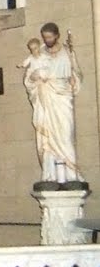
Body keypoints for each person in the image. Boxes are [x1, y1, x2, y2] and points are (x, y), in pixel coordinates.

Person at [21, 22, 83, 183]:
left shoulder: (67, 52)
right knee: (47, 137)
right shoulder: (38, 52)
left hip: (62, 98)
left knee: (65, 134)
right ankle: (50, 175)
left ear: (56, 36)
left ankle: (71, 174)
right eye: (44, 37)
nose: (46, 40)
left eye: (49, 37)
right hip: (45, 98)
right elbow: (28, 79)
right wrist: (33, 78)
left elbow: (77, 74)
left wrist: (72, 81)